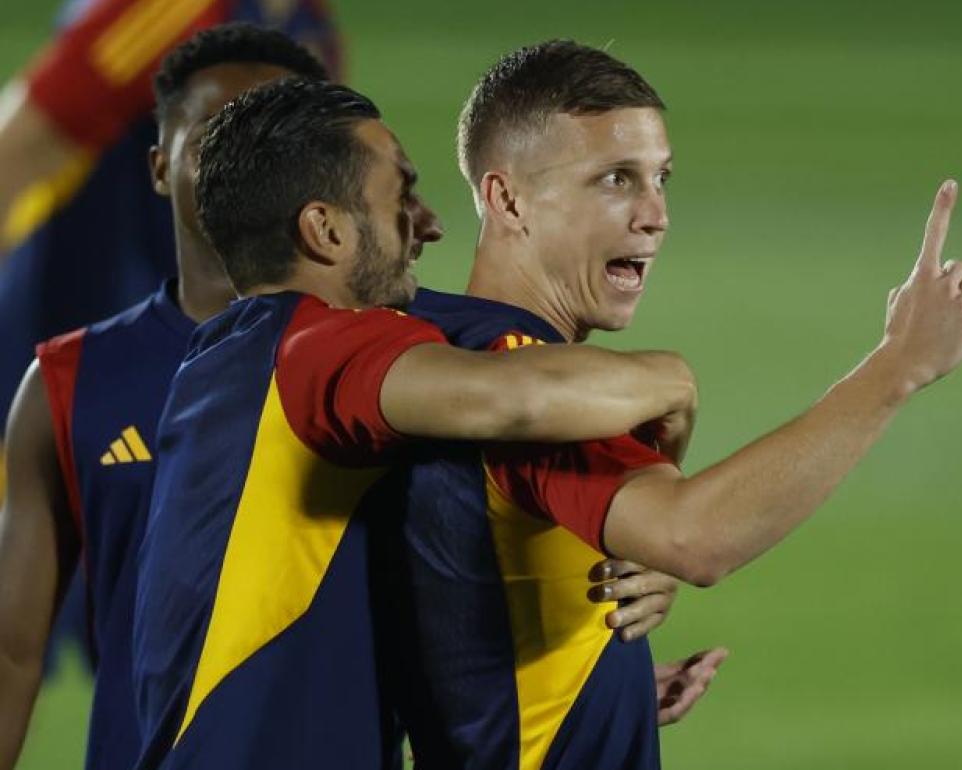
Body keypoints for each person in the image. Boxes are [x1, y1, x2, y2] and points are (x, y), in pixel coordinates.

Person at [386, 39, 962, 769]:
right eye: (615, 180)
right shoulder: (525, 390)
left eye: (661, 178)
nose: (656, 214)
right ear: (506, 198)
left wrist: (612, 682)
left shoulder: (426, 347)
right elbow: (694, 539)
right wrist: (897, 366)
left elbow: (468, 594)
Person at [130, 77, 702, 770]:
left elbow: (427, 557)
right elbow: (514, 399)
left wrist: (603, 634)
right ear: (326, 229)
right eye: (401, 196)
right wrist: (674, 382)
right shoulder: (309, 349)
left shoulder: (236, 367)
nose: (428, 223)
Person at [0, 24, 336, 770]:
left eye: (278, 137)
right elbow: (11, 655)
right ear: (160, 165)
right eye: (218, 133)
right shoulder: (71, 382)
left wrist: (636, 558)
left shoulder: (401, 366)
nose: (246, 161)